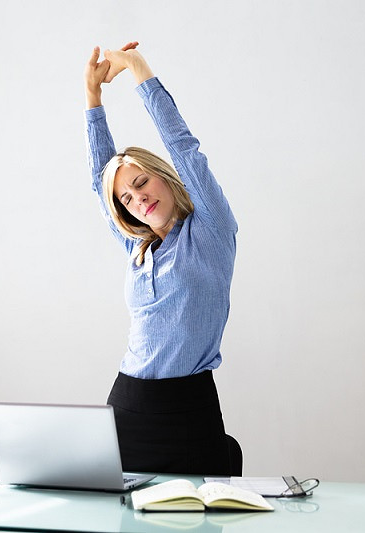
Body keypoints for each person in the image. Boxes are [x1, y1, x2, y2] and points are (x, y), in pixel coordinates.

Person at [83, 42, 239, 475]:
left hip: (188, 408)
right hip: (126, 405)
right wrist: (93, 99)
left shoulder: (210, 230)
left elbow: (184, 147)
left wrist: (137, 70)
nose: (138, 198)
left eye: (142, 181)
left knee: (199, 519)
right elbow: (101, 184)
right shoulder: (138, 246)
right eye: (127, 198)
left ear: (165, 176)